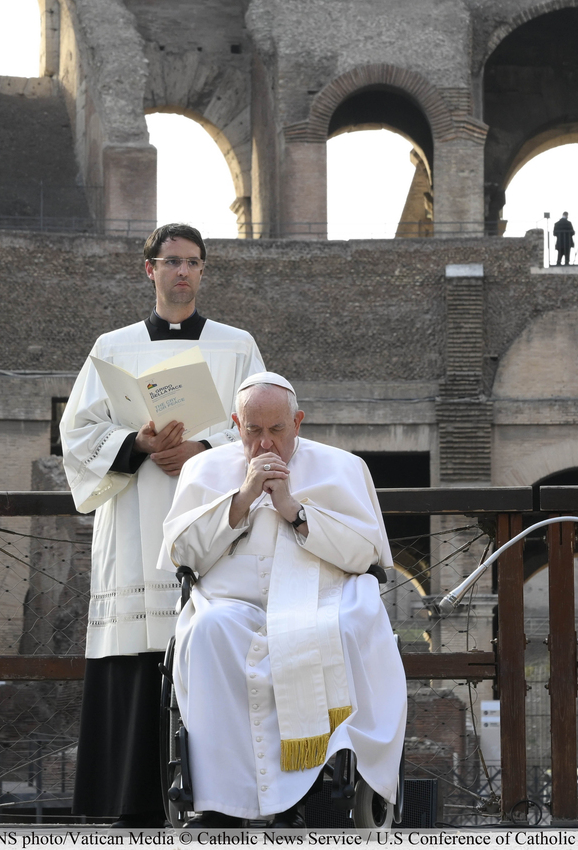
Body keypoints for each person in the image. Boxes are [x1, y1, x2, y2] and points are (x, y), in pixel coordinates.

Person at [59, 223, 265, 826]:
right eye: (171, 261)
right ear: (147, 269)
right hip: (133, 527)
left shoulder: (238, 347)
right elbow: (78, 434)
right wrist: (138, 444)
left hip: (212, 530)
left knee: (212, 653)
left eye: (194, 263)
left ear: (203, 271)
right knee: (137, 658)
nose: (183, 272)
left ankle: (219, 809)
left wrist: (203, 447)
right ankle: (128, 807)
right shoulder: (112, 348)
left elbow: (264, 428)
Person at [158, 372, 406, 827]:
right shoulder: (204, 470)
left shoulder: (343, 468)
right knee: (211, 631)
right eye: (253, 431)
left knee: (330, 630)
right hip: (232, 605)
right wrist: (243, 498)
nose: (265, 444)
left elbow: (364, 555)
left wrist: (293, 508)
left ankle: (306, 796)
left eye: (277, 430)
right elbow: (184, 553)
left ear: (298, 423)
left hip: (320, 600)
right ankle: (222, 804)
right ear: (236, 424)